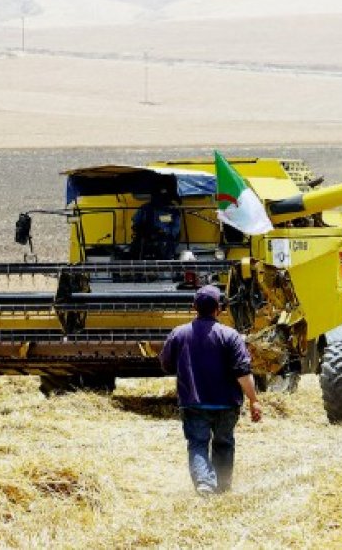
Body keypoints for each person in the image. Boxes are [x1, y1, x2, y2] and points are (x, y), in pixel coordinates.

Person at [159, 285, 263, 496]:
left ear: (194, 307)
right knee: (224, 443)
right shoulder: (231, 336)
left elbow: (166, 364)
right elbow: (242, 373)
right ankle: (222, 487)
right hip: (226, 403)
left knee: (197, 443)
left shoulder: (178, 334)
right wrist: (254, 400)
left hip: (193, 402)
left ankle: (205, 485)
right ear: (220, 309)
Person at [131, 187, 181, 259]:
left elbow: (176, 229)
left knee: (164, 246)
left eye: (162, 196)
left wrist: (164, 231)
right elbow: (136, 221)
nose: (159, 198)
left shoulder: (172, 209)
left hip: (164, 238)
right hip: (146, 238)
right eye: (157, 196)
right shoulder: (145, 208)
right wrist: (141, 229)